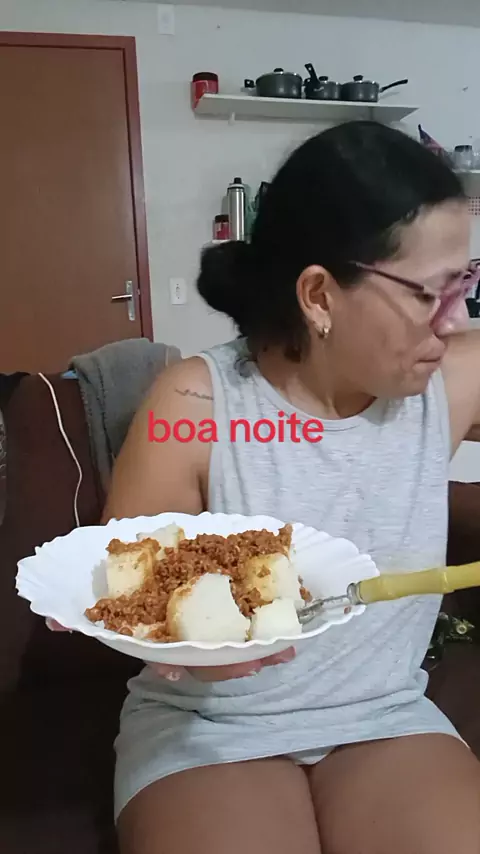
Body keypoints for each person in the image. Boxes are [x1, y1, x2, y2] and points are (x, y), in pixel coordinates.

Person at [57, 120, 480, 852]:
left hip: (384, 713)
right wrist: (159, 630)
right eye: (430, 293)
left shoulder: (452, 379)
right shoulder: (196, 402)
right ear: (319, 295)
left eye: (466, 283)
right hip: (211, 725)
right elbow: (130, 590)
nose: (459, 320)